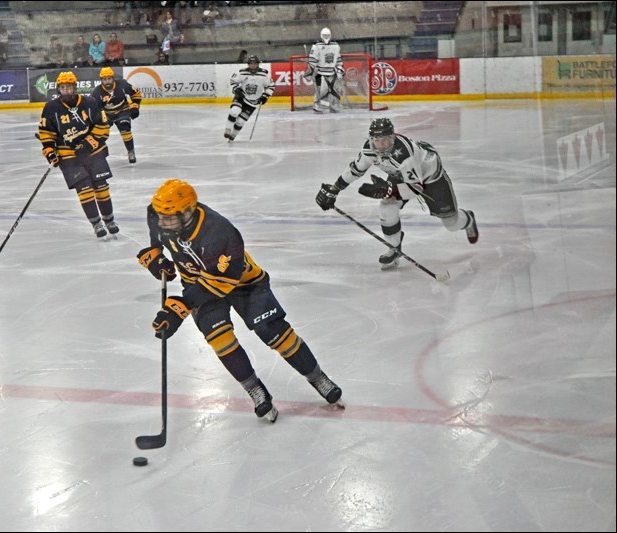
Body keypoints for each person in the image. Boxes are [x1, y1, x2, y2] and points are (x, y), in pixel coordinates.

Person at [138, 179, 344, 422]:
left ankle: (317, 377)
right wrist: (155, 254)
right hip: (197, 283)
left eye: (169, 217)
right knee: (220, 340)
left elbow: (218, 283)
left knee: (272, 331)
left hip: (243, 282)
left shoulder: (220, 232)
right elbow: (156, 229)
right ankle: (255, 389)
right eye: (161, 216)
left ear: (188, 212)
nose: (163, 222)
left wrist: (180, 306)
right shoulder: (159, 213)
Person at [315, 117, 479, 270]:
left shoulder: (405, 154)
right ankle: (394, 249)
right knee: (387, 206)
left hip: (430, 179)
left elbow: (416, 188)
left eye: (385, 140)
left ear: (392, 137)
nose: (381, 145)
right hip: (401, 176)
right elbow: (355, 169)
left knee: (451, 223)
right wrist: (334, 189)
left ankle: (469, 218)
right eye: (377, 140)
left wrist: (388, 189)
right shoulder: (369, 149)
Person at [37, 71, 119, 239]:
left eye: (69, 87)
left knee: (101, 187)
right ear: (59, 89)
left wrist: (88, 143)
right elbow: (46, 133)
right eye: (63, 88)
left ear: (75, 87)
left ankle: (109, 220)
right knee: (85, 189)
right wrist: (50, 151)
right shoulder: (51, 108)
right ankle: (96, 224)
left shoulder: (90, 102)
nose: (66, 91)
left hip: (93, 153)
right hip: (69, 157)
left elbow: (103, 126)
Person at [90, 66, 142, 164]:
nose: (107, 81)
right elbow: (96, 109)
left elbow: (136, 94)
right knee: (98, 133)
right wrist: (104, 119)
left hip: (123, 110)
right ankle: (97, 154)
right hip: (106, 113)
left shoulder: (123, 84)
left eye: (109, 78)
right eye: (105, 79)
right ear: (101, 80)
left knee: (125, 128)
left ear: (113, 78)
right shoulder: (96, 92)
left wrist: (135, 106)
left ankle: (131, 151)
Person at [223, 54, 274, 142]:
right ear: (248, 64)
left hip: (253, 102)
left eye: (254, 63)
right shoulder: (242, 72)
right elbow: (232, 81)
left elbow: (271, 86)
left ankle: (232, 136)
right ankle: (227, 129)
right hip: (241, 97)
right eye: (251, 63)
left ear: (258, 64)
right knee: (234, 111)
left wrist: (265, 96)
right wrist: (236, 89)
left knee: (240, 122)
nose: (252, 65)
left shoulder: (264, 74)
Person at [306, 27, 344, 113]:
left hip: (332, 72)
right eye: (324, 35)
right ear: (321, 35)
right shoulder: (316, 46)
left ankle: (334, 105)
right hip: (320, 73)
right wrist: (310, 72)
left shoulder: (335, 46)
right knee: (321, 90)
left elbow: (338, 59)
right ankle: (317, 104)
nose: (326, 36)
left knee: (335, 90)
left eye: (327, 35)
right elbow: (312, 60)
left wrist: (340, 69)